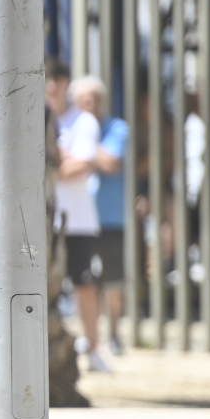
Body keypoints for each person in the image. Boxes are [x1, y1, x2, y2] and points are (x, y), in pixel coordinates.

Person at [56, 68, 108, 373]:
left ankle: (94, 345)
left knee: (84, 283)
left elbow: (83, 166)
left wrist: (53, 166)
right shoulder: (42, 116)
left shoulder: (83, 122)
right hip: (45, 220)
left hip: (78, 219)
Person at [92, 80, 130, 357]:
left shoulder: (117, 128)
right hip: (80, 218)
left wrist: (80, 150)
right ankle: (92, 336)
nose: (88, 106)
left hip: (111, 216)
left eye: (94, 100)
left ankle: (114, 333)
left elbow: (111, 163)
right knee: (86, 281)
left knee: (113, 280)